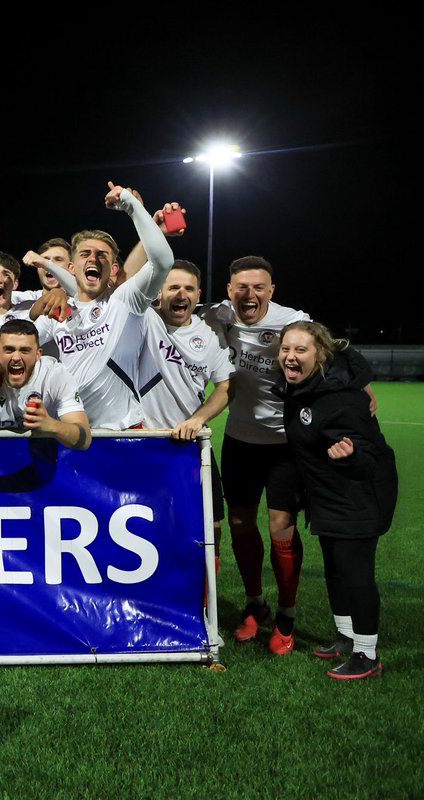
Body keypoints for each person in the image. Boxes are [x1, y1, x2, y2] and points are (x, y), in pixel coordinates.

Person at [203, 256, 312, 652]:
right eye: (241, 288)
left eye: (258, 287)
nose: (250, 295)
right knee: (239, 523)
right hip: (239, 440)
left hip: (285, 444)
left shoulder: (293, 320)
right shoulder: (217, 316)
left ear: (271, 291)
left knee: (281, 527)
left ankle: (287, 613)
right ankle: (256, 604)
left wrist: (361, 383)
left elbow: (328, 352)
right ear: (229, 291)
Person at [277, 322, 396, 679]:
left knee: (356, 574)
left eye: (301, 350)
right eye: (286, 349)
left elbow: (370, 454)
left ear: (321, 355)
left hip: (358, 495)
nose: (290, 356)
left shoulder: (342, 396)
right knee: (334, 567)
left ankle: (368, 654)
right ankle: (346, 636)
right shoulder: (304, 389)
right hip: (327, 493)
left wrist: (351, 455)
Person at [30, 183, 176, 430]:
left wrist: (132, 206)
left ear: (113, 270)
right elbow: (23, 337)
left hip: (121, 433)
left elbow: (162, 262)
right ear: (72, 268)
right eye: (85, 253)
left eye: (102, 255)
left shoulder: (125, 301)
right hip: (71, 432)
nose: (93, 258)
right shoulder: (59, 312)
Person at [138, 260, 234, 558]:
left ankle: (205, 598)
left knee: (213, 525)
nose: (181, 294)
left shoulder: (211, 337)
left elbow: (226, 387)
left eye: (189, 288)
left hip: (190, 443)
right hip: (142, 441)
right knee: (145, 521)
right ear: (159, 293)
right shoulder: (141, 320)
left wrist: (198, 419)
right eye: (174, 287)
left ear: (198, 294)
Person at [0, 319, 90, 449]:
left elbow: (84, 440)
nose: (16, 358)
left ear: (38, 354)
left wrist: (52, 426)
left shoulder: (55, 376)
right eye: (9, 350)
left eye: (25, 350)